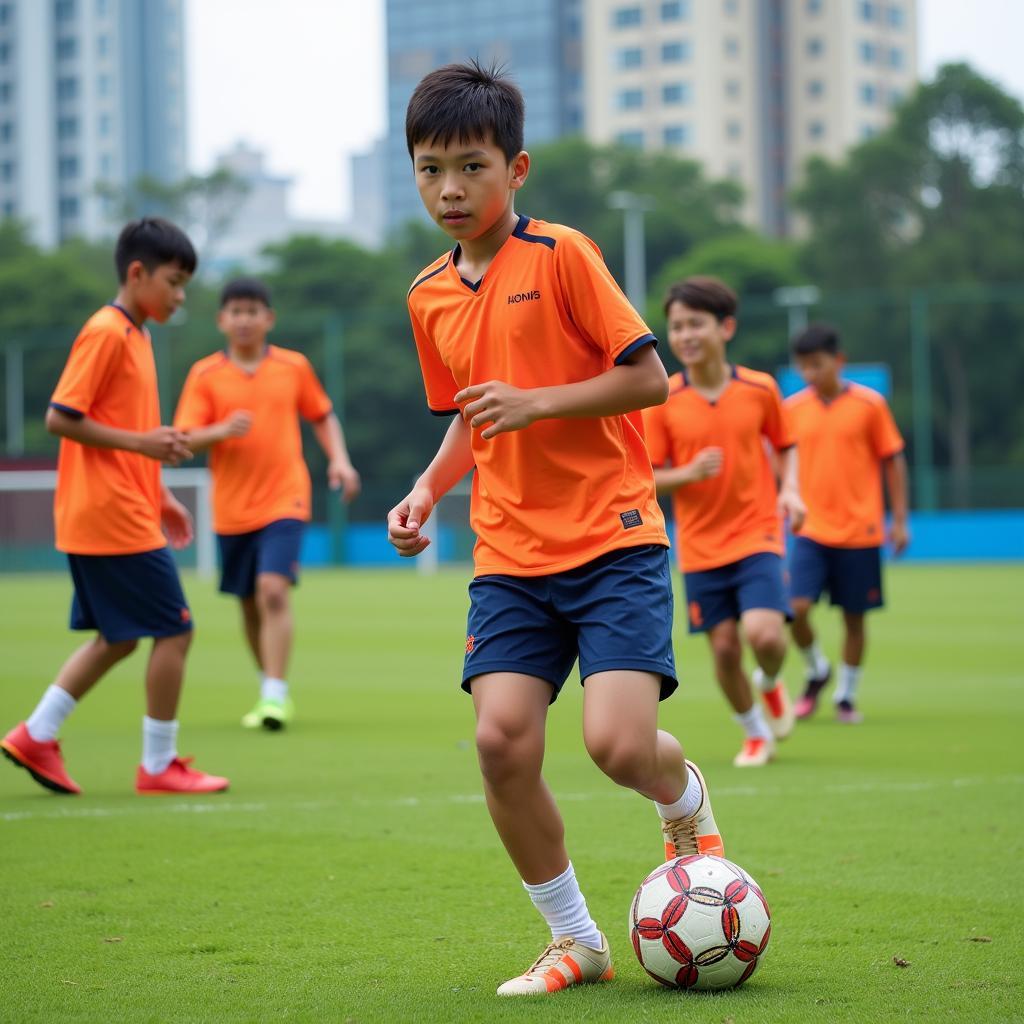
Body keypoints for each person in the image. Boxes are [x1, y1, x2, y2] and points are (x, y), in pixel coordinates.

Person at [387, 60, 723, 997]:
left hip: (614, 538)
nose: (450, 189)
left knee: (617, 747)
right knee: (501, 743)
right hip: (507, 553)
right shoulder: (427, 295)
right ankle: (576, 939)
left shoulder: (563, 255)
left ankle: (685, 796)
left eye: (471, 167)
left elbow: (648, 379)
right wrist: (422, 491)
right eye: (428, 169)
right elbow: (470, 413)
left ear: (516, 169)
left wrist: (538, 405)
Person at [1, 218, 228, 796]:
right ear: (137, 273)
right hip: (109, 516)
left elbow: (129, 431)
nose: (179, 297)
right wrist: (145, 447)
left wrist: (162, 494)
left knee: (119, 637)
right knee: (175, 631)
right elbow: (62, 417)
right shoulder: (106, 331)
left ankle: (35, 735)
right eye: (174, 283)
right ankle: (158, 765)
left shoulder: (138, 334)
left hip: (118, 509)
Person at [173, 278, 360, 731]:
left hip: (285, 498)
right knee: (248, 604)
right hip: (232, 508)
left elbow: (321, 414)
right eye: (235, 311)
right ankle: (267, 685)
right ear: (221, 320)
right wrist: (219, 431)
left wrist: (339, 460)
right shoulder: (205, 375)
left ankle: (275, 696)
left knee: (272, 590)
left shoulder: (293, 367)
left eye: (252, 310)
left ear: (269, 318)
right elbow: (182, 439)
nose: (244, 319)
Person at [642, 277, 804, 768]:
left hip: (757, 532)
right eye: (676, 327)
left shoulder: (760, 389)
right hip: (700, 545)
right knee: (726, 649)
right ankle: (754, 732)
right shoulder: (664, 397)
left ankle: (771, 683)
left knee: (766, 636)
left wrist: (791, 488)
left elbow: (786, 443)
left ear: (725, 327)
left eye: (696, 324)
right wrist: (687, 474)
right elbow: (646, 475)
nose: (686, 335)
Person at [785, 323, 909, 723]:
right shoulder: (792, 410)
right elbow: (777, 458)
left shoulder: (870, 405)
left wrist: (900, 521)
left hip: (860, 530)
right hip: (810, 528)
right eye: (803, 366)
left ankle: (846, 696)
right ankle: (817, 669)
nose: (809, 374)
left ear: (838, 361)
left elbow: (893, 460)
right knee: (796, 609)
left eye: (816, 365)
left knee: (854, 618)